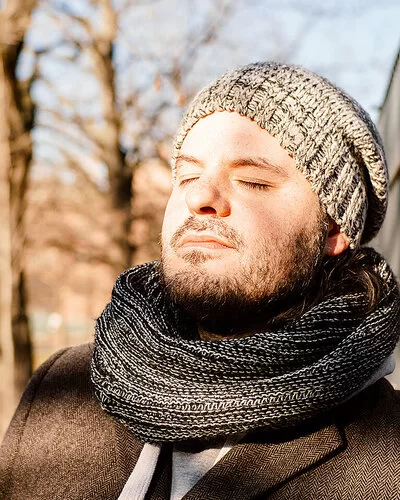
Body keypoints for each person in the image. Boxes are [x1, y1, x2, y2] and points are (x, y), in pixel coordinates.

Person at [1, 62, 400, 500]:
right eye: (188, 176)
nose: (199, 197)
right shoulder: (63, 386)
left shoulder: (386, 459)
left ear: (334, 230)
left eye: (252, 181)